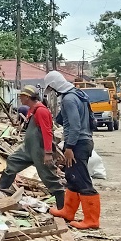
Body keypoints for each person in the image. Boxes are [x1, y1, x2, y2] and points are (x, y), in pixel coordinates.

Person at [43, 70, 101, 229]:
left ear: (55, 86)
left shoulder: (68, 99)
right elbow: (64, 120)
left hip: (77, 143)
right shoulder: (78, 95)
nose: (52, 93)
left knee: (82, 180)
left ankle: (92, 220)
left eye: (52, 89)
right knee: (72, 177)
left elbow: (74, 126)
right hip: (83, 141)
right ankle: (68, 211)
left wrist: (69, 147)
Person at [0, 86, 65, 211]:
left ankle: (62, 206)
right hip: (28, 148)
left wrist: (48, 152)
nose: (20, 98)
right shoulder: (32, 110)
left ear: (27, 97)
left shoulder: (41, 111)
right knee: (12, 160)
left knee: (48, 176)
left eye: (21, 96)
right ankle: (1, 190)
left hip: (39, 149)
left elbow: (47, 132)